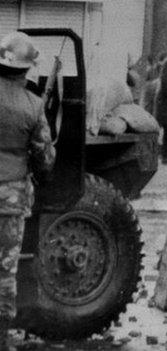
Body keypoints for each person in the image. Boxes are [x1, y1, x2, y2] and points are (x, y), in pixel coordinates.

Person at [0, 32, 56, 350]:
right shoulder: (33, 106)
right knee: (4, 271)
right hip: (9, 201)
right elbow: (45, 161)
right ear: (27, 68)